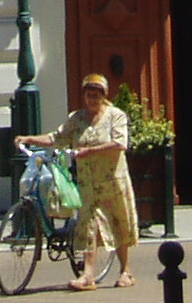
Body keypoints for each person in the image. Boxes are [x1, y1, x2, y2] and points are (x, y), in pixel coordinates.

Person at [19, 73, 139, 289]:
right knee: (88, 226)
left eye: (96, 95)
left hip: (112, 181)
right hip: (87, 183)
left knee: (119, 223)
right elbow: (57, 138)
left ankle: (126, 271)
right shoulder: (77, 119)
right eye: (88, 95)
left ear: (104, 95)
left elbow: (120, 144)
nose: (92, 99)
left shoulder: (116, 116)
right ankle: (88, 276)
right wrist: (29, 139)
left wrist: (89, 151)